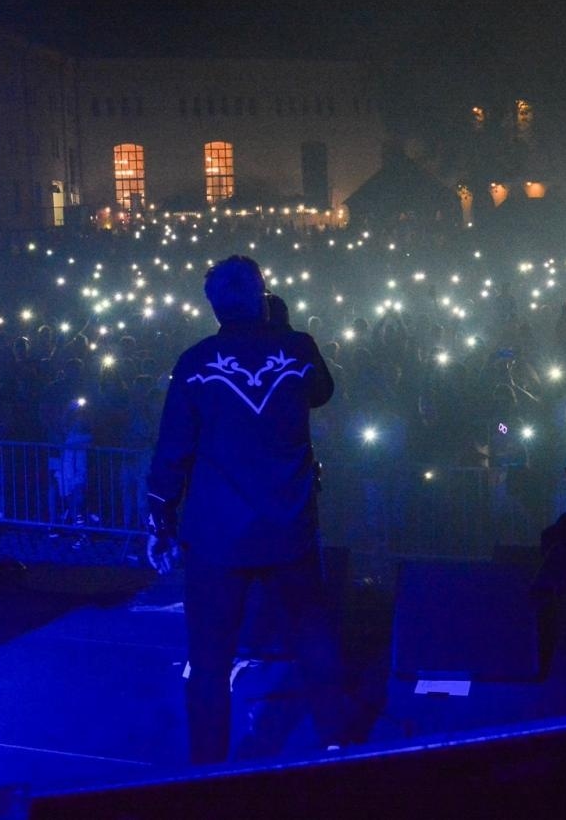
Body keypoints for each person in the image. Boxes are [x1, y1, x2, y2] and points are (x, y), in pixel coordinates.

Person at [145, 255, 346, 764]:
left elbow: (172, 450)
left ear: (213, 305)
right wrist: (282, 325)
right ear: (263, 294)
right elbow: (322, 392)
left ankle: (208, 772)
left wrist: (160, 520)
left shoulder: (195, 363)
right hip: (289, 527)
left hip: (218, 536)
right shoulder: (298, 350)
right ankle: (337, 743)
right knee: (313, 637)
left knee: (210, 661)